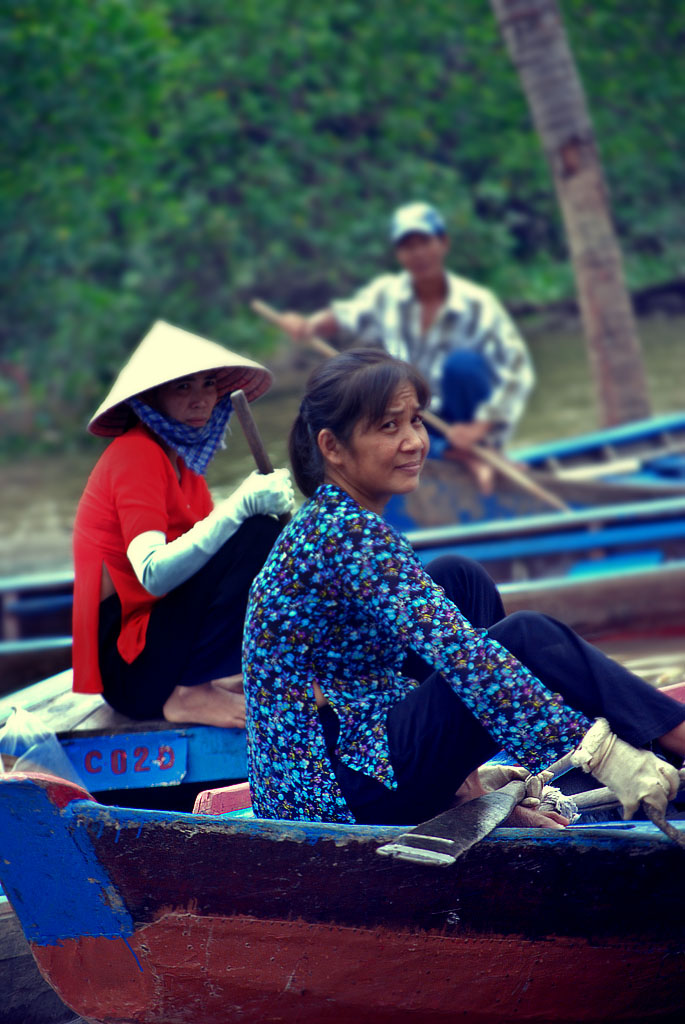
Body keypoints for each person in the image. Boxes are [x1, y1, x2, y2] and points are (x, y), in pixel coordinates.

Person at [242, 349, 685, 827]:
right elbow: (466, 656)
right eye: (389, 427)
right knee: (525, 637)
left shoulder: (341, 519)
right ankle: (675, 733)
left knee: (459, 577)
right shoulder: (345, 534)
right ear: (332, 447)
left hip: (351, 738)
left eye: (415, 420)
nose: (414, 441)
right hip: (331, 791)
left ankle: (463, 784)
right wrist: (605, 755)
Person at [72, 320, 294, 727]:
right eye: (183, 387)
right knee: (255, 529)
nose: (201, 400)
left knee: (266, 538)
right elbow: (154, 573)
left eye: (208, 384)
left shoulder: (183, 464)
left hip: (155, 652)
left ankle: (214, 675)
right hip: (127, 667)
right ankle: (192, 690)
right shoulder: (135, 453)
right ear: (152, 398)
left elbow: (214, 570)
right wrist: (238, 507)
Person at [277, 201, 534, 489]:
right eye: (408, 246)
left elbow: (518, 369)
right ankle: (458, 457)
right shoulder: (387, 293)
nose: (418, 254)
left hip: (463, 419)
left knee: (463, 365)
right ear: (399, 254)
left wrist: (480, 427)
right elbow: (344, 315)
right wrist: (309, 325)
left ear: (443, 243)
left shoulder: (476, 303)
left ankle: (478, 451)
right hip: (414, 419)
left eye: (424, 242)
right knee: (384, 414)